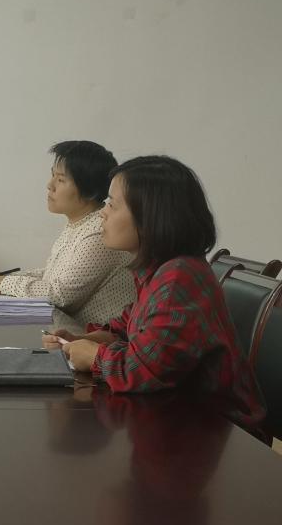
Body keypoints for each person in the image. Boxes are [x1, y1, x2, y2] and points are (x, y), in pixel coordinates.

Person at [44, 155, 266, 435]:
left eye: (112, 204)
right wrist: (84, 340)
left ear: (150, 217)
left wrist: (95, 356)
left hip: (218, 432)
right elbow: (129, 327)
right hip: (182, 419)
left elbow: (144, 370)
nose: (102, 213)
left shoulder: (179, 278)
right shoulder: (159, 269)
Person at [0, 140, 135, 326]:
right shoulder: (79, 224)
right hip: (73, 334)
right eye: (52, 175)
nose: (50, 185)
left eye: (60, 180)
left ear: (91, 191)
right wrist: (6, 278)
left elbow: (60, 295)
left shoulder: (99, 231)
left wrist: (3, 284)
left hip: (101, 338)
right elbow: (52, 276)